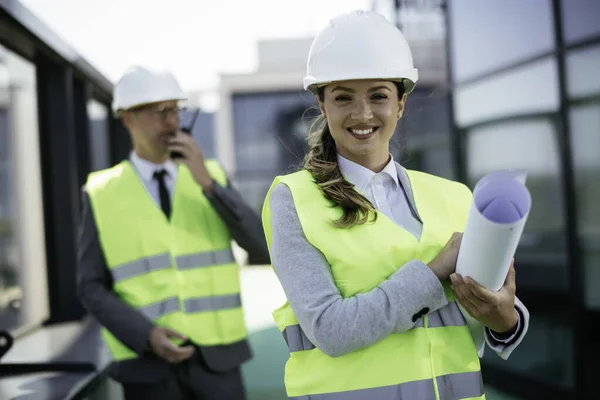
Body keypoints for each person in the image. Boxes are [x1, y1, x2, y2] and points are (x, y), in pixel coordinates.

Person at [261, 10, 529, 400]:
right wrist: (435, 271)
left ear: (400, 104)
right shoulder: (293, 199)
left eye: (378, 96)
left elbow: (501, 318)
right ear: (322, 105)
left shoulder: (455, 196)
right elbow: (330, 330)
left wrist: (504, 318)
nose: (363, 113)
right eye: (343, 98)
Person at [77, 65, 269, 400]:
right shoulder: (101, 192)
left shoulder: (210, 175)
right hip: (147, 367)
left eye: (174, 109)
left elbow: (262, 245)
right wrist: (145, 334)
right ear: (127, 118)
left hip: (218, 363)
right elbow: (90, 286)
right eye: (157, 111)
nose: (170, 121)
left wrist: (209, 185)